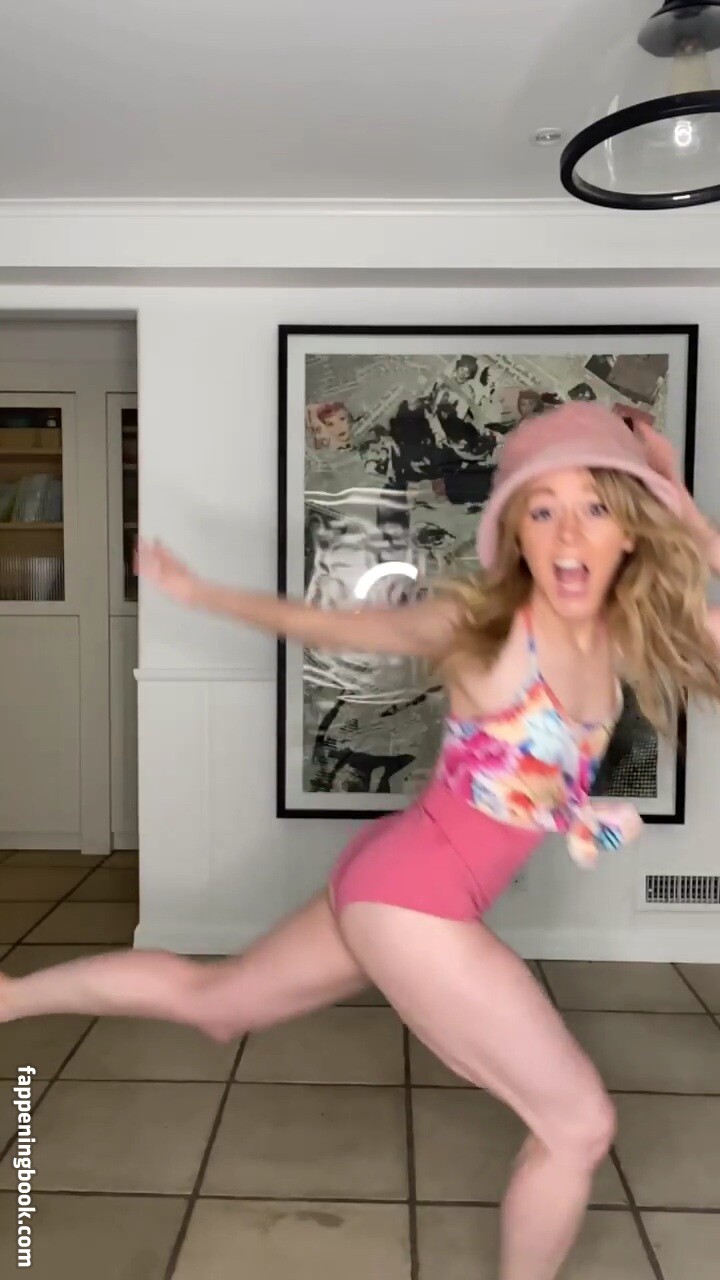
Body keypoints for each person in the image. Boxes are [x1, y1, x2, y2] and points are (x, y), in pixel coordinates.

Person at [3, 401, 720, 1280]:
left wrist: (684, 509)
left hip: (389, 881)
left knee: (218, 1002)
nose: (568, 531)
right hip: (415, 905)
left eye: (597, 507)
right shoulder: (485, 632)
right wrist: (199, 594)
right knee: (579, 1125)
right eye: (542, 510)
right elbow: (334, 628)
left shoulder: (626, 636)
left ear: (632, 530)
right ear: (518, 537)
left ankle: (8, 998)